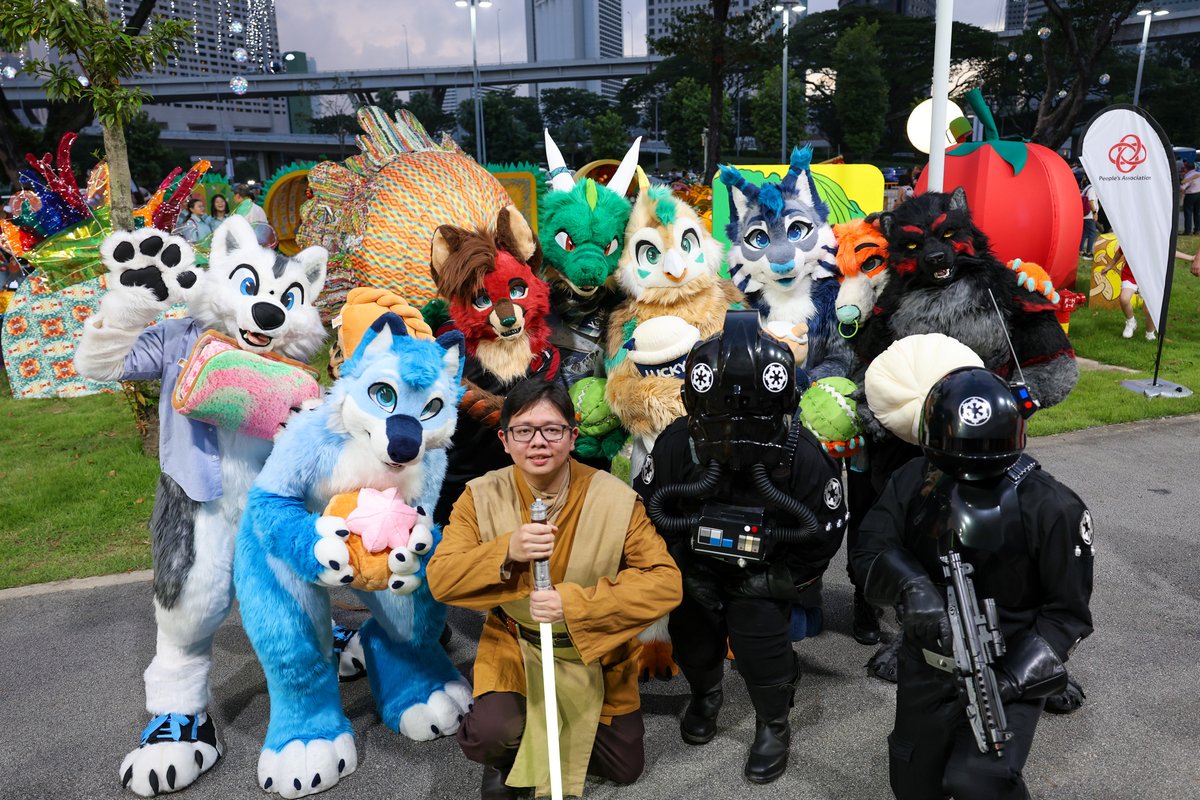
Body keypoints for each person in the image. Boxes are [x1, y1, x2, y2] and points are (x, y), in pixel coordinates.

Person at [426, 379, 682, 800]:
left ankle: (544, 738)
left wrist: (573, 603)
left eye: (552, 430)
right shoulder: (478, 496)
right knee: (490, 734)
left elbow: (664, 582)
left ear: (572, 437)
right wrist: (506, 549)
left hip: (594, 649)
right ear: (505, 440)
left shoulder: (616, 498)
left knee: (624, 767)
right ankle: (507, 755)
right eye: (524, 431)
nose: (538, 442)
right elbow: (442, 578)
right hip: (516, 644)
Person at [850, 366, 1094, 800]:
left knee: (980, 782)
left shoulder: (1053, 508)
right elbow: (868, 551)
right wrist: (910, 585)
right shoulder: (913, 481)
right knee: (911, 776)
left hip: (1007, 666)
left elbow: (1066, 616)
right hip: (927, 659)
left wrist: (1011, 682)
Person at [637, 310, 848, 785]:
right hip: (696, 569)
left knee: (762, 648)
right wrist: (678, 567)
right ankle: (705, 694)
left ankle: (773, 723)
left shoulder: (803, 454)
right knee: (692, 643)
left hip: (767, 571)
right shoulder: (677, 444)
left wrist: (781, 580)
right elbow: (647, 509)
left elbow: (825, 527)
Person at [1103, 246, 1157, 340]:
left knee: (1149, 310)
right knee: (1124, 298)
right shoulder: (1131, 236)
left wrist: (1190, 258)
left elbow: (1169, 250)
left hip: (1150, 278)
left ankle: (1150, 333)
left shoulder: (1154, 237)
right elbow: (1120, 251)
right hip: (1130, 275)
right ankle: (1131, 322)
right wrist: (1110, 266)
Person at [1079, 177, 1098, 258]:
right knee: (1092, 233)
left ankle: (1080, 250)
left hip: (1085, 214)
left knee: (1085, 233)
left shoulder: (1087, 187)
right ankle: (1089, 252)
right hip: (1089, 215)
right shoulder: (1093, 189)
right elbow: (1091, 201)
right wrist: (1094, 213)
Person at [1180, 161, 1200, 236]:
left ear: (1186, 169)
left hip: (1191, 195)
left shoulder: (1189, 176)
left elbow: (1183, 187)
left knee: (1188, 213)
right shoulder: (1197, 173)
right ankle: (1197, 230)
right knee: (1197, 213)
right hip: (1199, 194)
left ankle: (1188, 231)